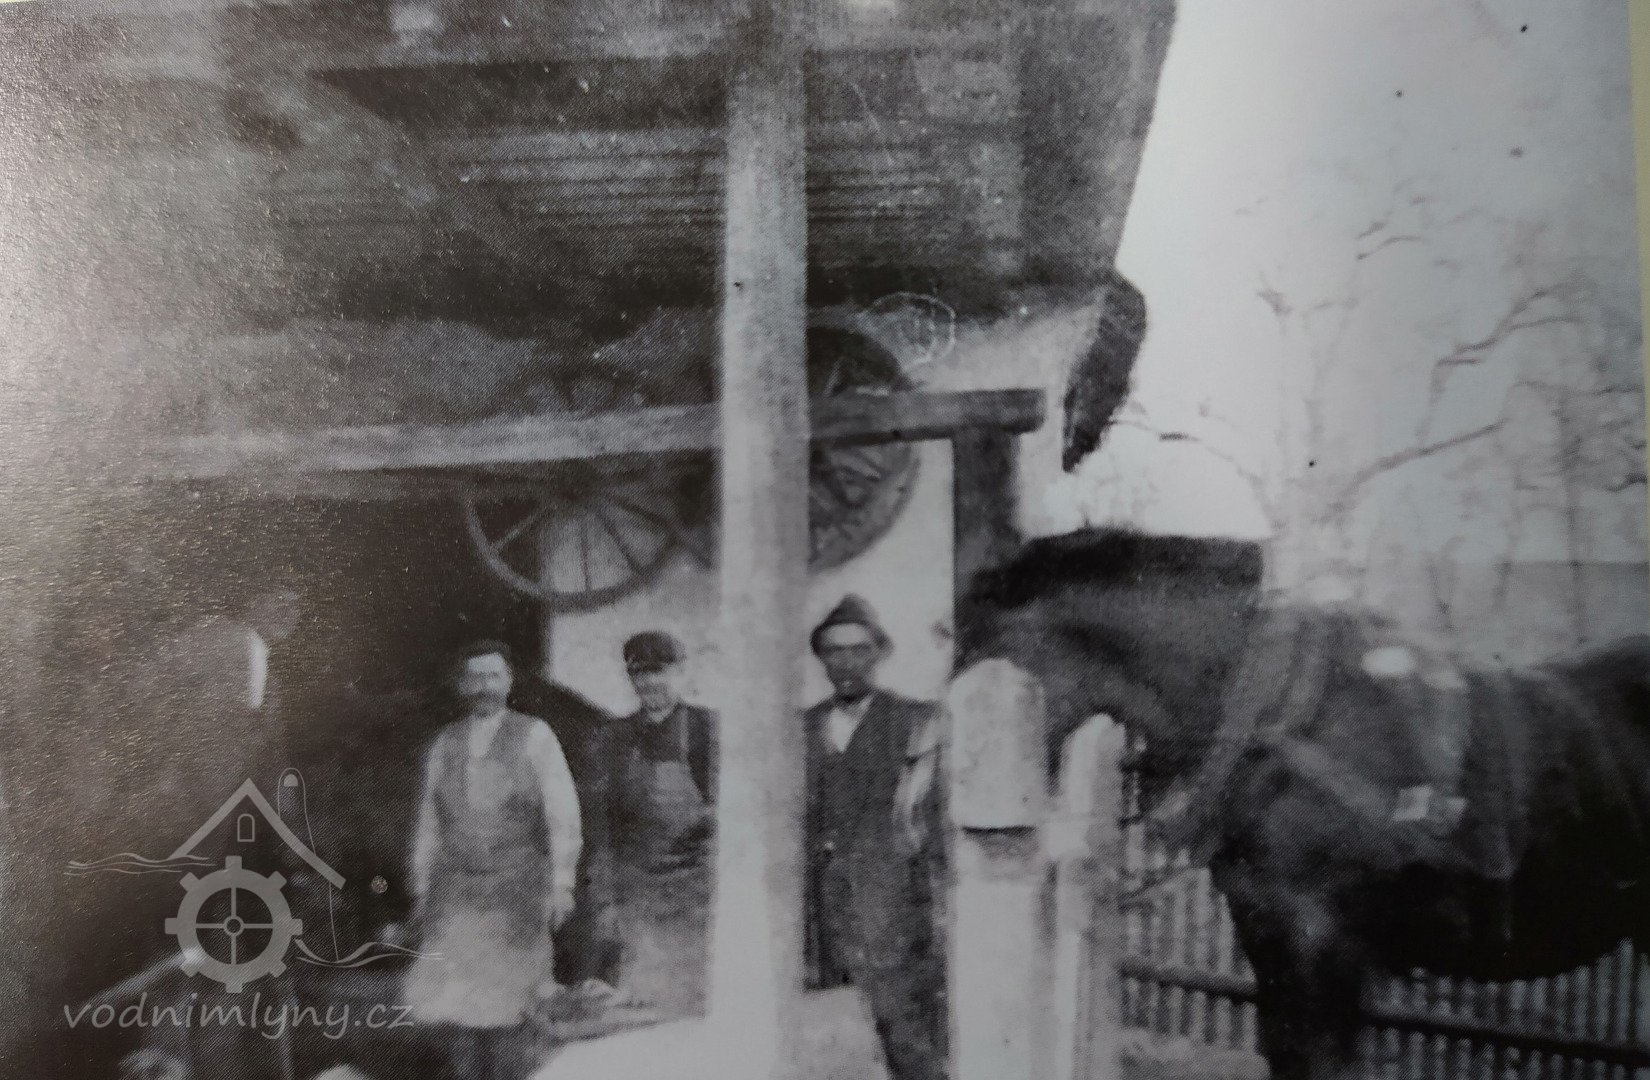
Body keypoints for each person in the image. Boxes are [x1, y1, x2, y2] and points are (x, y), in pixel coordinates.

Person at [404, 640, 582, 1079]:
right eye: (475, 677)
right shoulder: (445, 743)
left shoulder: (535, 735)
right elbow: (429, 821)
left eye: (493, 676)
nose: (484, 686)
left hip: (516, 891)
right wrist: (422, 887)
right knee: (456, 1007)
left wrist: (562, 882)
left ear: (509, 681)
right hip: (456, 893)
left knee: (512, 1009)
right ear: (462, 685)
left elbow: (562, 813)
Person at [804, 596, 948, 1080]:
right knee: (836, 1038)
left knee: (903, 1035)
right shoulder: (803, 728)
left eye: (858, 650)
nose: (845, 663)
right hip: (824, 913)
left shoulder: (917, 722)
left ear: (879, 653)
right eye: (833, 652)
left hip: (894, 909)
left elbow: (932, 821)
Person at [588, 630, 718, 1017]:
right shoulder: (614, 736)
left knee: (695, 1002)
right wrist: (605, 899)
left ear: (681, 671)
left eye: (659, 671)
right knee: (642, 1006)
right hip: (639, 895)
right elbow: (602, 826)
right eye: (639, 674)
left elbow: (733, 815)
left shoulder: (707, 729)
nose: (649, 683)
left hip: (697, 893)